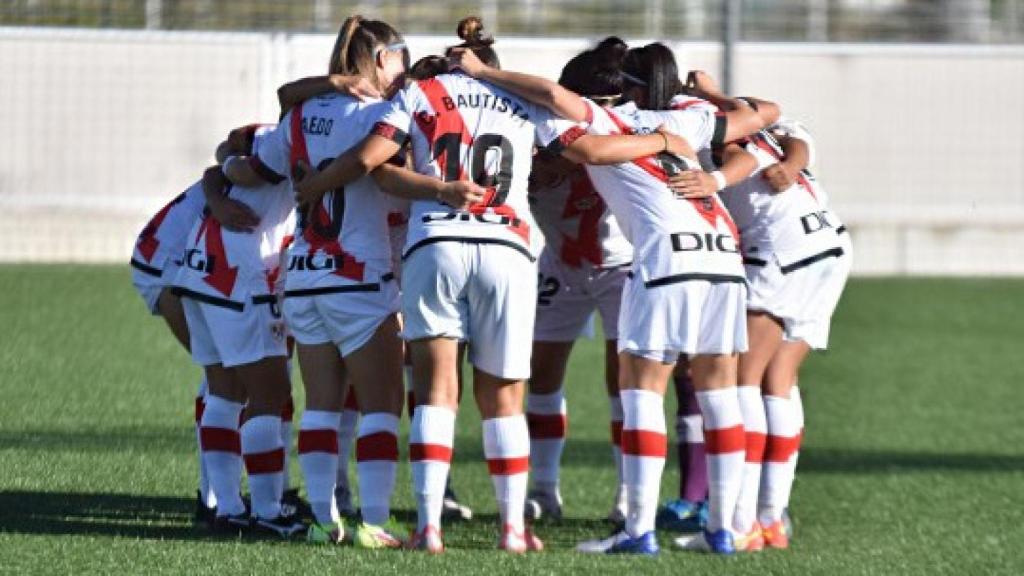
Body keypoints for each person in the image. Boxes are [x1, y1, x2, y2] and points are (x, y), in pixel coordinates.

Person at [292, 16, 696, 553]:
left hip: (434, 243)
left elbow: (374, 161)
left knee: (436, 390)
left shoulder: (420, 91)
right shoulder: (523, 101)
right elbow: (589, 151)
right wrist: (666, 138)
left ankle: (428, 528)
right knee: (505, 397)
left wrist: (332, 185)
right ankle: (512, 528)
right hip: (507, 248)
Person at [450, 39, 774, 555]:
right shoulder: (685, 116)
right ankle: (723, 531)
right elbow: (758, 116)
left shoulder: (602, 119)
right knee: (720, 393)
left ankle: (637, 529)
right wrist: (682, 128)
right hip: (721, 255)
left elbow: (564, 113)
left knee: (641, 390)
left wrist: (479, 71)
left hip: (665, 258)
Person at [225, 15, 417, 548]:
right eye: (400, 56)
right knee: (382, 405)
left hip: (304, 277)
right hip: (358, 278)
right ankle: (375, 522)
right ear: (382, 58)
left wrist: (221, 172)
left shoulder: (301, 113)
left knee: (322, 405)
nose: (403, 67)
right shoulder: (386, 113)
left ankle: (322, 520)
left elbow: (257, 169)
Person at [711, 114, 851, 550]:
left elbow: (741, 158)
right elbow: (799, 138)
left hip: (779, 250)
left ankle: (743, 520)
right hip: (830, 245)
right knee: (780, 378)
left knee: (742, 380)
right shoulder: (770, 125)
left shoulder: (704, 131)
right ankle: (773, 518)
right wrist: (791, 163)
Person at [174, 124, 301, 538]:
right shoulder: (301, 135)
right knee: (270, 395)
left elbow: (223, 154)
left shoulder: (272, 131)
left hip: (200, 272)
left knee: (225, 393)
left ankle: (227, 508)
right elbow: (227, 158)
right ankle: (266, 509)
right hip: (240, 276)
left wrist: (222, 180)